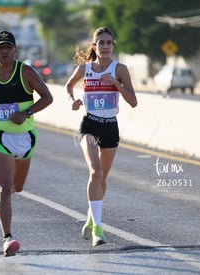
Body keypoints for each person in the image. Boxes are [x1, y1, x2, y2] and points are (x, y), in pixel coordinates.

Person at [0, 30, 53, 256]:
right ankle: (7, 238)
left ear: (15, 50)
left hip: (26, 138)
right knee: (7, 188)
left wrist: (26, 112)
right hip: (0, 136)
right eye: (0, 47)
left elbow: (47, 97)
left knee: (17, 187)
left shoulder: (26, 72)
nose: (4, 51)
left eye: (8, 47)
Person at [64, 27, 137, 246]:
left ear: (113, 46)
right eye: (100, 42)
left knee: (102, 179)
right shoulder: (84, 68)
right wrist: (72, 101)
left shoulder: (120, 69)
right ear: (94, 46)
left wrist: (115, 83)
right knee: (94, 172)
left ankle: (90, 218)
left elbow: (133, 101)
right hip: (89, 124)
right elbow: (68, 86)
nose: (105, 46)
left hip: (110, 126)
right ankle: (98, 229)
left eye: (108, 42)